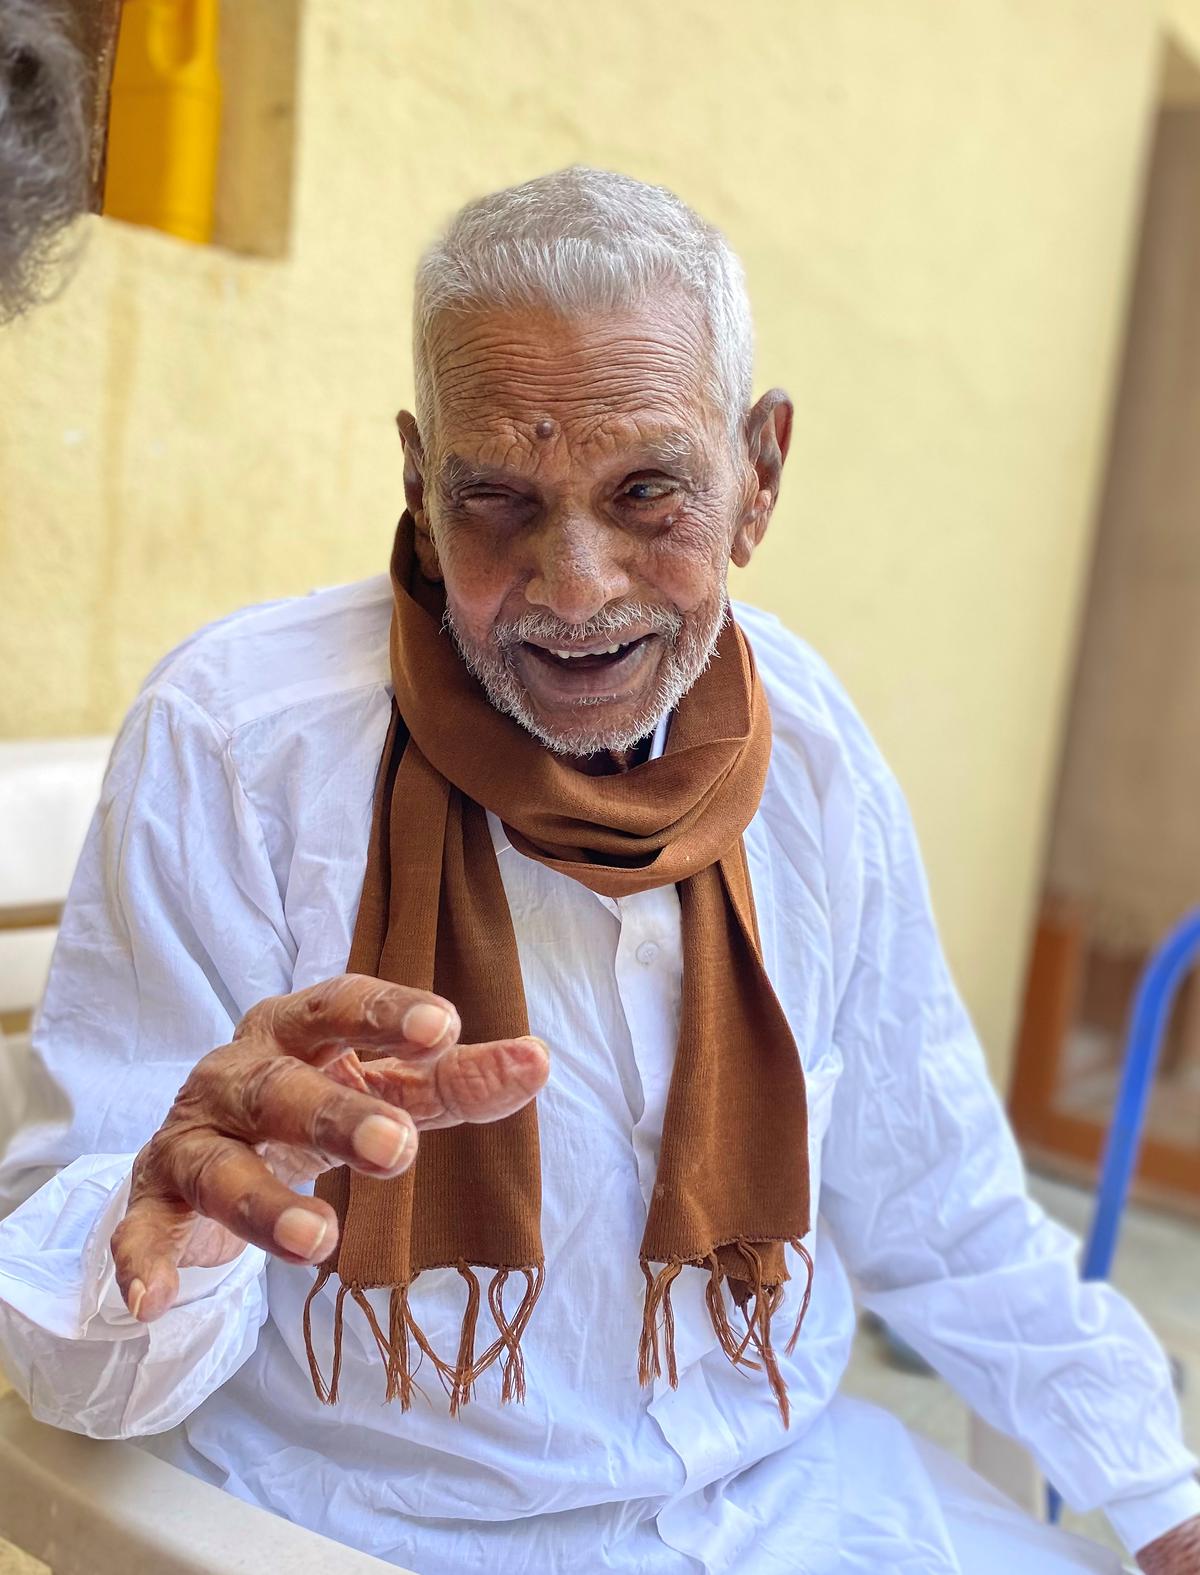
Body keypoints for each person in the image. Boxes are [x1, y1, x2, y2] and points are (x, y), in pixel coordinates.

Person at [0, 168, 1196, 1575]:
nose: (575, 588)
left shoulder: (805, 745)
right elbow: (76, 1373)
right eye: (496, 500)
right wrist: (182, 1231)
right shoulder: (235, 741)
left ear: (760, 475)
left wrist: (1164, 1497)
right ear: (417, 481)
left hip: (790, 1508)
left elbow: (942, 1203)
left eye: (648, 494)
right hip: (373, 1531)